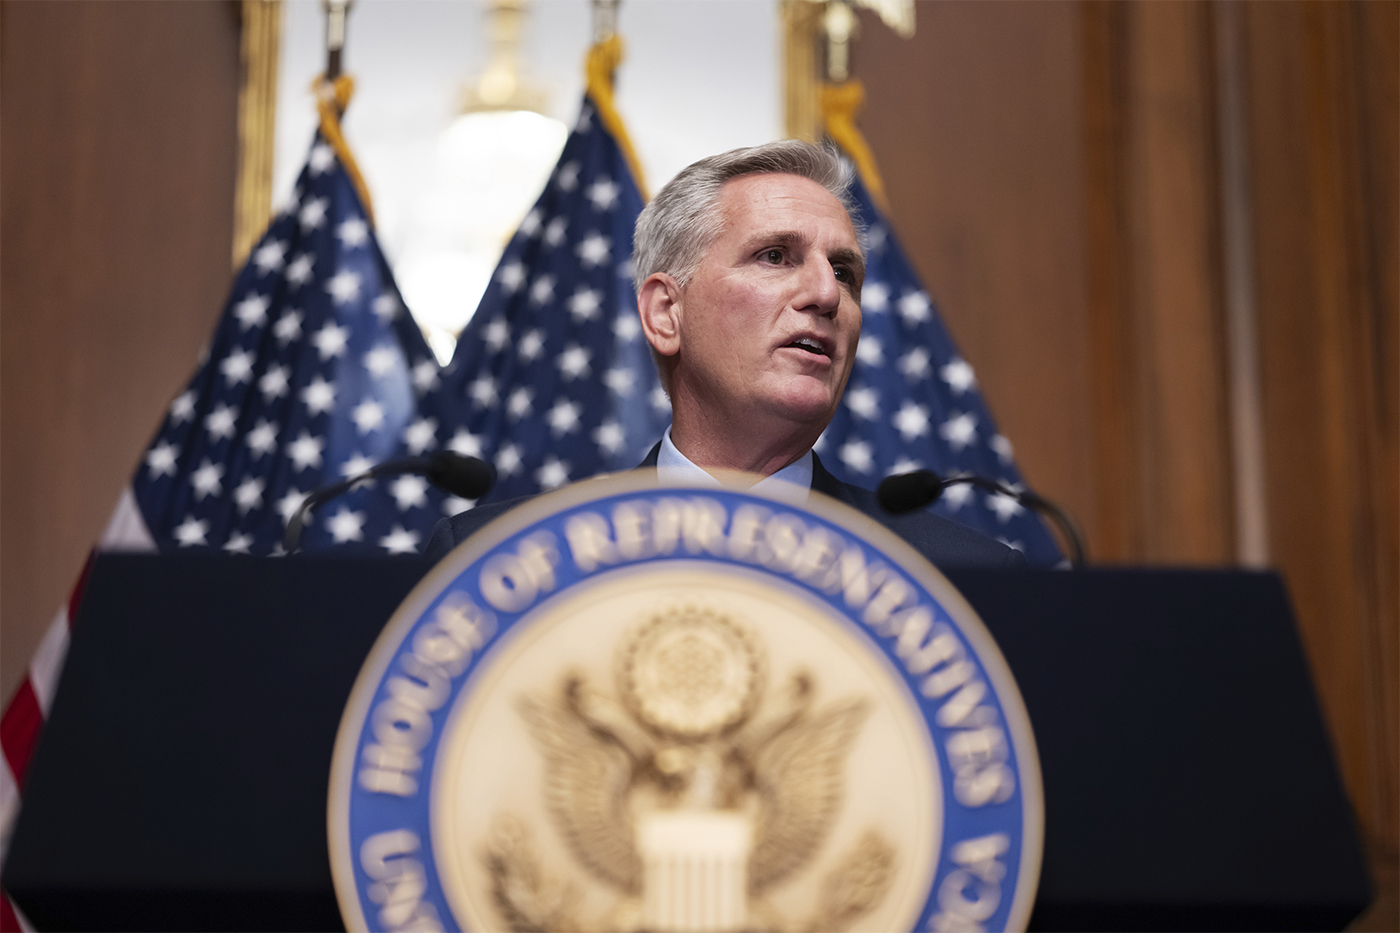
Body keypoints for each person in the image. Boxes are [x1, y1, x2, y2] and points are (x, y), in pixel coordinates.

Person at [426, 141, 1022, 568]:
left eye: (844, 272)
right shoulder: (496, 565)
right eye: (774, 257)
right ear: (666, 313)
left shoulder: (964, 580)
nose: (825, 295)